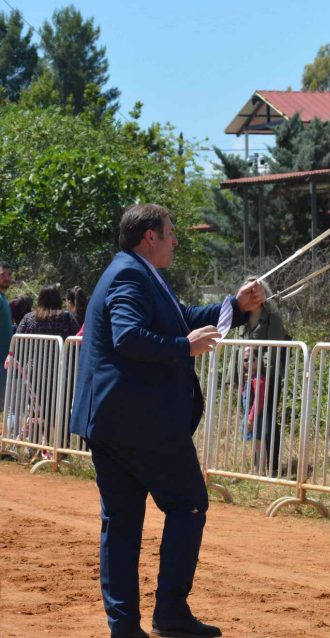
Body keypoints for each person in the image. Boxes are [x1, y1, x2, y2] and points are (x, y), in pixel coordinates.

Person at [69, 203, 264, 638]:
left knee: (120, 524)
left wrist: (233, 304)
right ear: (149, 237)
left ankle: (125, 626)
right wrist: (184, 348)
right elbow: (129, 336)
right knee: (187, 504)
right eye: (170, 231)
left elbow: (181, 318)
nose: (176, 239)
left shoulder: (135, 272)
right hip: (143, 426)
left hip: (115, 423)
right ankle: (171, 613)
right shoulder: (129, 275)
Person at [237, 277, 289, 477]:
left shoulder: (272, 318)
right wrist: (235, 376)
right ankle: (258, 467)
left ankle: (272, 467)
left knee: (267, 419)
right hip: (247, 376)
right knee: (252, 420)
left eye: (255, 291)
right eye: (248, 291)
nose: (252, 295)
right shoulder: (241, 319)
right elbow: (238, 349)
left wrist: (260, 366)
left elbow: (276, 350)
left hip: (268, 377)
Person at [0, 262, 13, 409]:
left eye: (9, 275)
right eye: (2, 275)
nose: (6, 278)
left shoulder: (3, 298)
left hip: (3, 359)